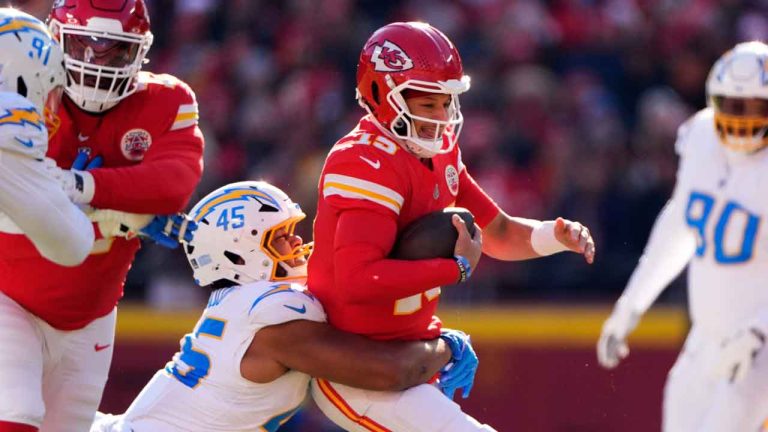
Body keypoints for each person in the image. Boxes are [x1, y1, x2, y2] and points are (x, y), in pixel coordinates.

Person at [308, 21, 596, 431]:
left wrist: (554, 236)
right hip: (359, 364)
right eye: (428, 104)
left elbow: (496, 232)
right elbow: (359, 279)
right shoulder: (364, 162)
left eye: (446, 102)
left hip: (406, 354)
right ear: (381, 95)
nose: (442, 117)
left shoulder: (437, 148)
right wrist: (454, 269)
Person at [90, 181, 478, 432]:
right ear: (238, 253)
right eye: (280, 237)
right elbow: (390, 372)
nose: (296, 245)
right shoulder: (273, 316)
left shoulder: (243, 305)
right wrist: (446, 347)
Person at [0, 1, 204, 431]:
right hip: (9, 295)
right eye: (84, 45)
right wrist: (116, 206)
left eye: (115, 49)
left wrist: (82, 186)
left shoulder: (166, 100)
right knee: (17, 414)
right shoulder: (27, 87)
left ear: (139, 51)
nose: (96, 61)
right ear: (55, 39)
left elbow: (174, 184)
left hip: (90, 316)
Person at [597, 41, 768, 432]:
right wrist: (632, 303)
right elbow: (681, 224)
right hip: (704, 339)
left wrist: (759, 329)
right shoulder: (702, 136)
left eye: (755, 106)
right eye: (732, 104)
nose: (741, 119)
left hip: (759, 346)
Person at [0, 7, 94, 266]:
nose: (52, 109)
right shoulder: (12, 119)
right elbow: (70, 244)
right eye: (51, 91)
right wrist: (81, 199)